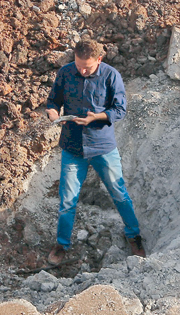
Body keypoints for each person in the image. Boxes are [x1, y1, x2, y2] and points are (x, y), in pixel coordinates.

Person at [45, 39, 145, 265]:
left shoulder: (111, 76)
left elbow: (119, 110)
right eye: (78, 64)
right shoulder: (65, 73)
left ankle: (134, 235)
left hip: (102, 146)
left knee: (119, 193)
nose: (81, 70)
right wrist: (52, 113)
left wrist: (95, 117)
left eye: (87, 67)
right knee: (67, 200)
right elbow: (53, 101)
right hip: (73, 146)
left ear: (99, 60)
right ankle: (62, 244)